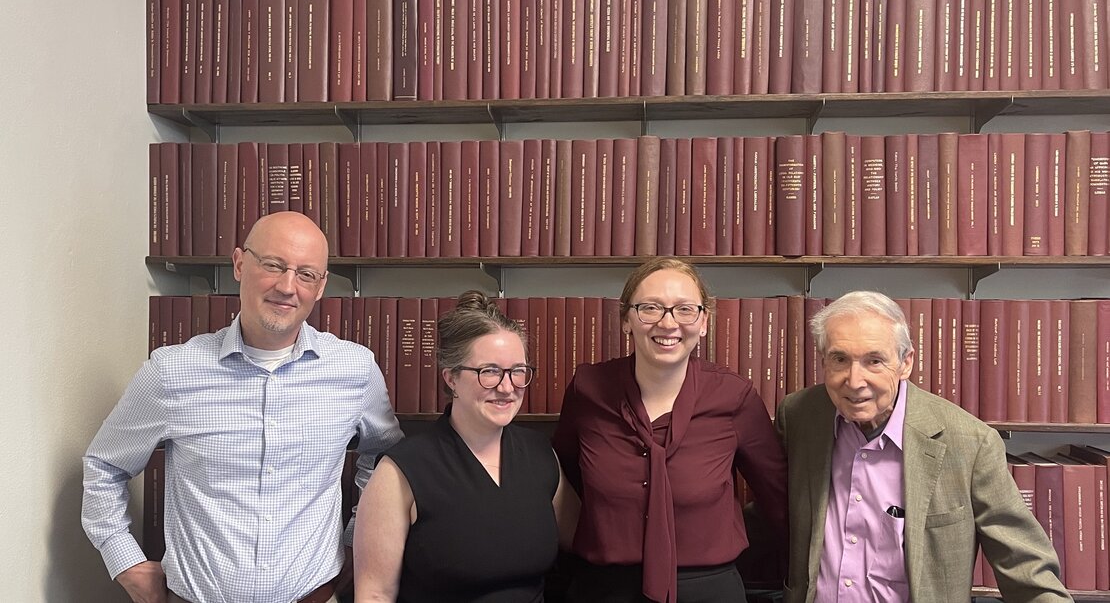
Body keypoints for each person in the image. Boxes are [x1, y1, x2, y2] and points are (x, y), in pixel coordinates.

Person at [82, 212, 404, 603]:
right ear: (239, 264)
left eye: (306, 274)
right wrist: (126, 563)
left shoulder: (355, 369)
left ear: (320, 287)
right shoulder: (172, 371)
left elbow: (386, 457)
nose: (287, 286)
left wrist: (358, 540)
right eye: (273, 265)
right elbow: (104, 466)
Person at [775, 290, 1070, 603]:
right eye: (840, 359)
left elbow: (1027, 567)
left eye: (874, 361)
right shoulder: (799, 417)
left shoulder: (969, 443)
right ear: (823, 361)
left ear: (906, 363)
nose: (855, 380)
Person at [553, 257, 789, 603]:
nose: (668, 323)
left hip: (709, 589)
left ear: (704, 322)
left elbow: (779, 501)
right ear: (626, 320)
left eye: (684, 310)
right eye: (650, 308)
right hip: (604, 589)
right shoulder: (587, 390)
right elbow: (564, 481)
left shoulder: (734, 396)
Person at [353, 290, 578, 602]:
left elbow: (582, 542)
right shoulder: (401, 471)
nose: (507, 387)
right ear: (451, 378)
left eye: (517, 372)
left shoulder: (541, 455)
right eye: (489, 372)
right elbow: (375, 594)